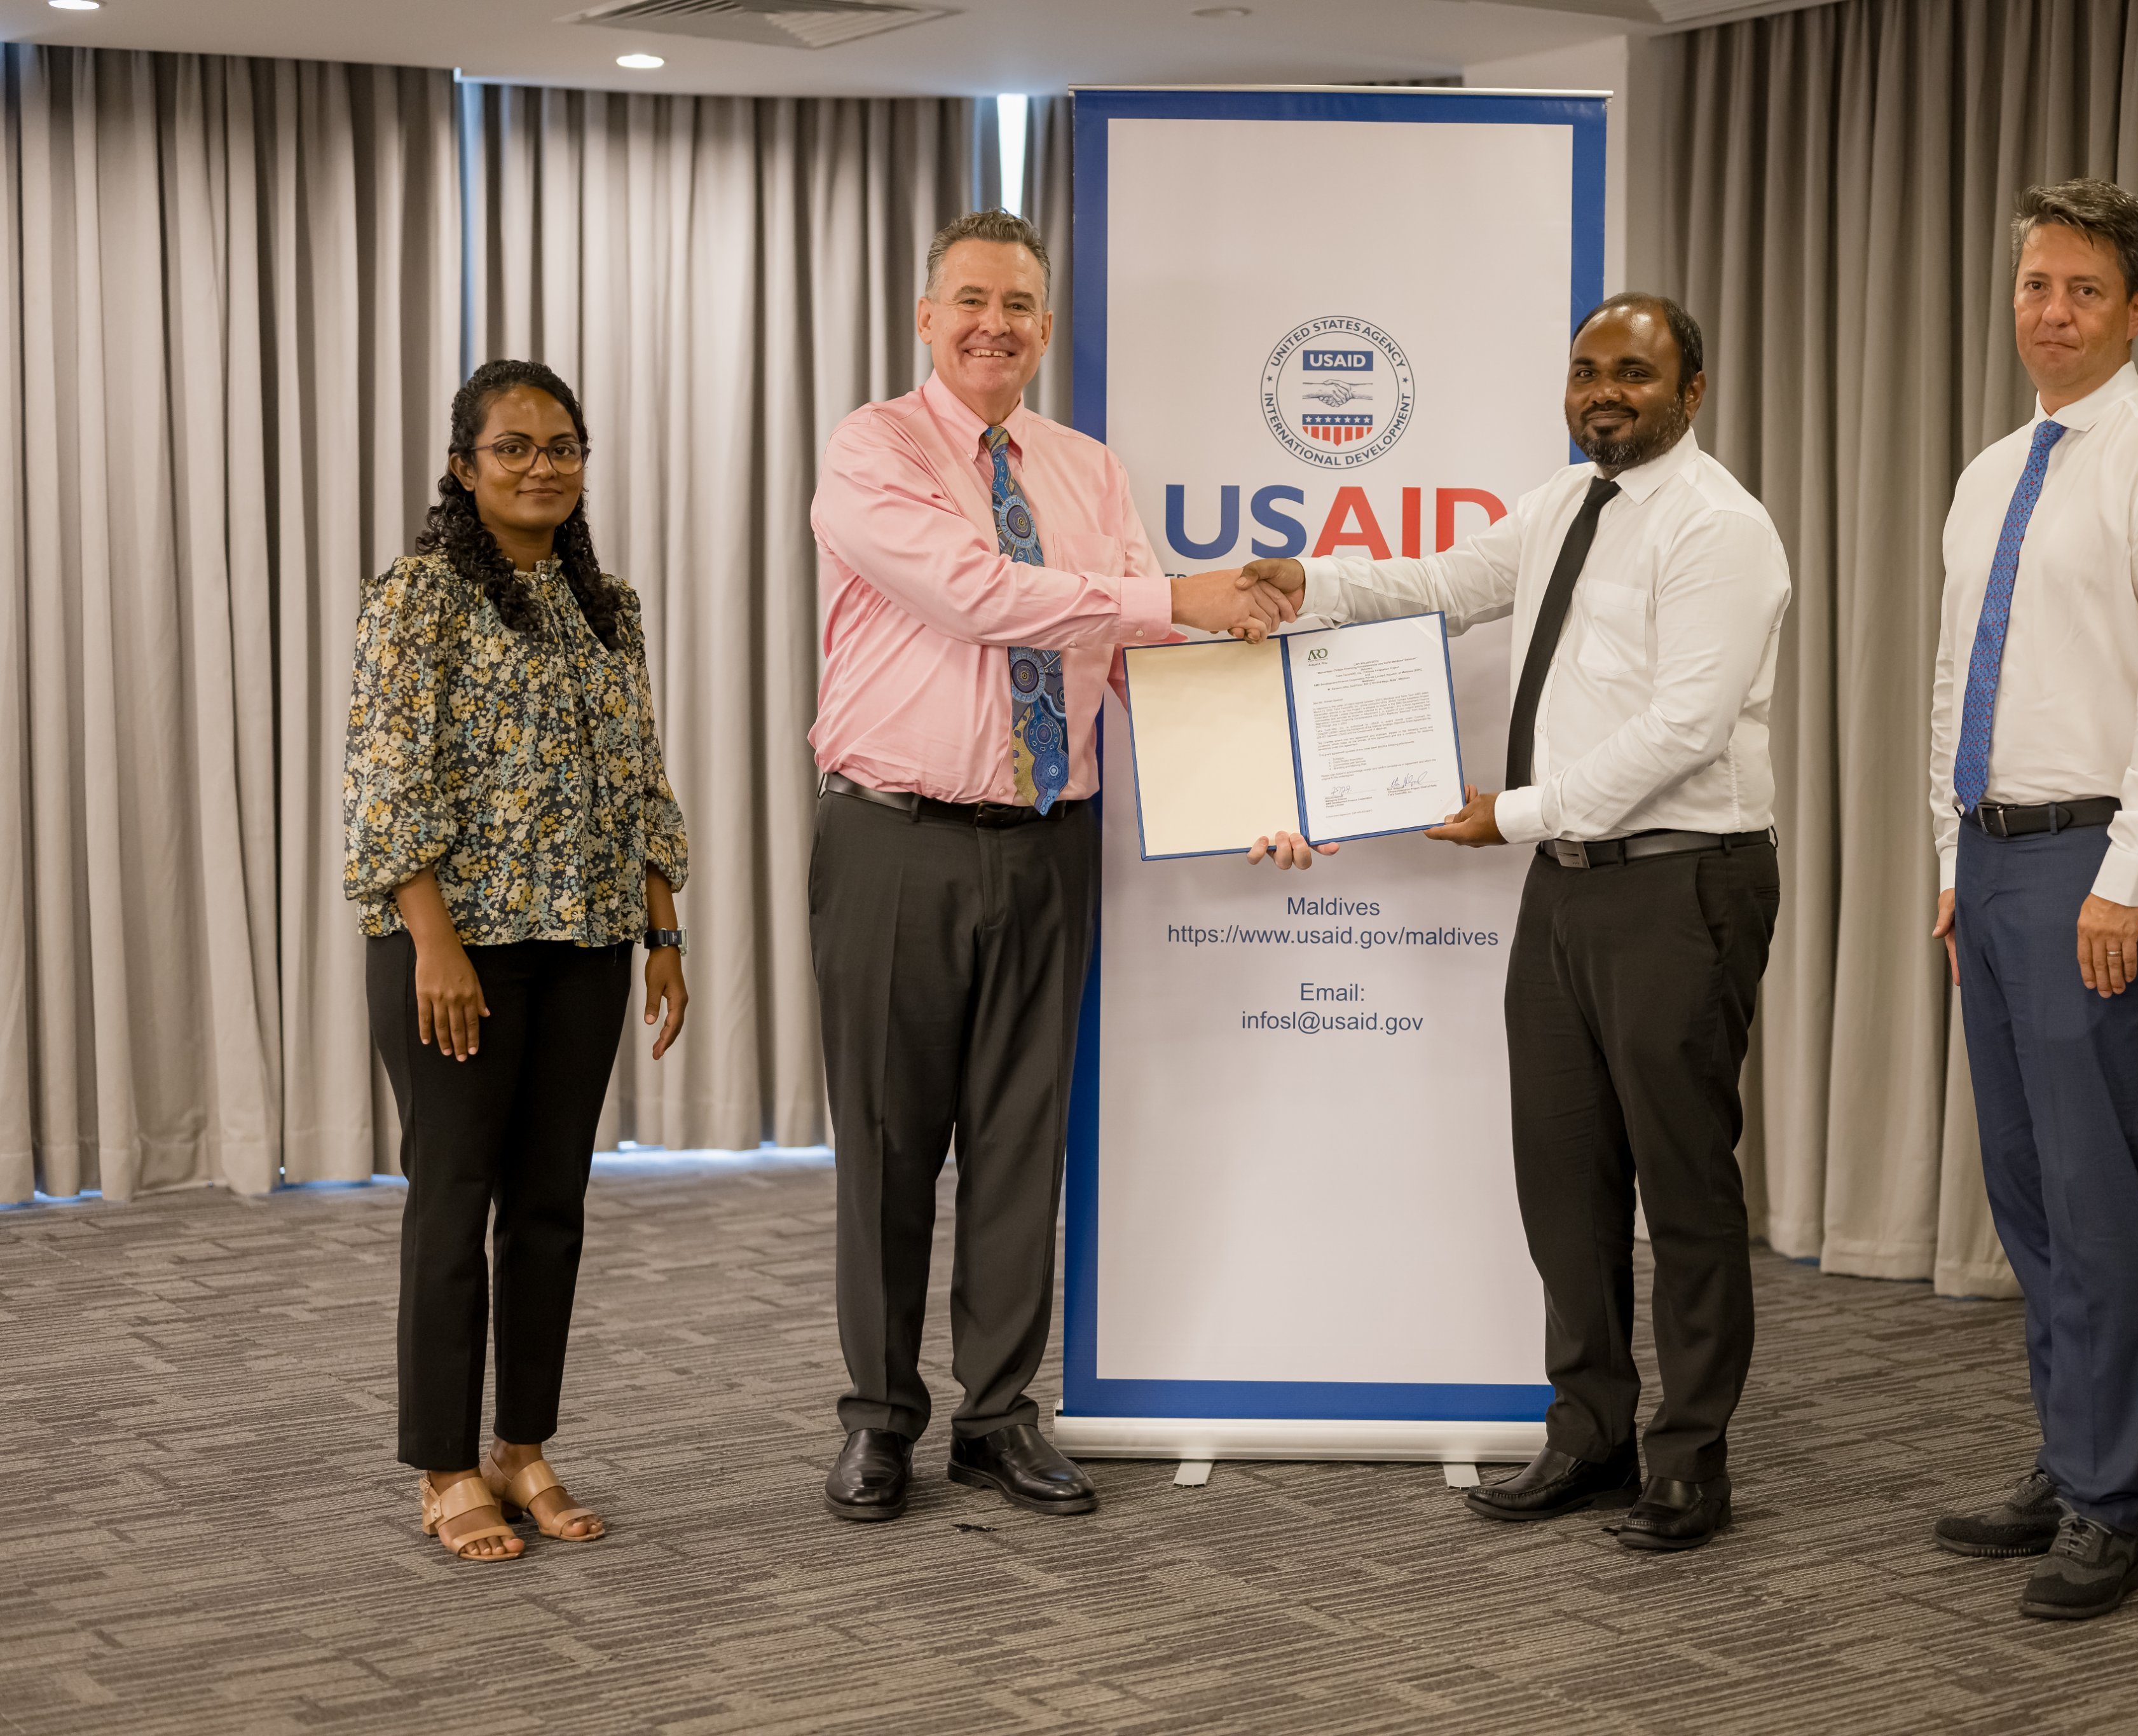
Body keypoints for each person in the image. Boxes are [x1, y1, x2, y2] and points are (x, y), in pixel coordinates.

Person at [1223, 292, 1792, 1553]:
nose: (1603, 392)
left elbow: (1683, 730)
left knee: (1682, 1184)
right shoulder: (1560, 505)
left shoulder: (1720, 528)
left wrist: (1513, 813)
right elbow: (1444, 583)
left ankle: (1690, 1460)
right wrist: (1311, 580)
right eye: (1586, 371)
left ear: (1691, 391)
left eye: (1633, 372)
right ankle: (1588, 1431)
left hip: (1681, 884)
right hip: (1566, 887)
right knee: (1563, 1176)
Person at [807, 210, 1287, 1524]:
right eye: (970, 300)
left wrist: (1261, 786)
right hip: (894, 839)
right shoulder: (872, 450)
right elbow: (978, 593)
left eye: (1018, 304)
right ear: (926, 317)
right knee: (890, 1144)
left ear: (1045, 325)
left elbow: (1137, 656)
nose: (994, 325)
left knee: (1022, 1142)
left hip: (1046, 841)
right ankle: (879, 1419)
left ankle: (997, 1416)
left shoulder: (1087, 469)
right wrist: (1180, 596)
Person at [1925, 179, 2138, 1620]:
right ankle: (2066, 1458)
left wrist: (2126, 876)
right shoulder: (1992, 470)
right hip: (1993, 859)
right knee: (2024, 1182)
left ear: (2137, 310)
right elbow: (1955, 677)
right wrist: (1951, 861)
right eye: (2035, 285)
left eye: (2083, 290)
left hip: (2099, 862)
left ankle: (2107, 1506)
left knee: (2090, 1187)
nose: (2051, 312)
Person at [345, 359, 693, 1562]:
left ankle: (520, 1447)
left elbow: (641, 777)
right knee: (453, 1205)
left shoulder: (610, 605)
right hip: (457, 953)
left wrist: (662, 931)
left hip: (587, 942)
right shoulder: (419, 596)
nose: (543, 466)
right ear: (464, 466)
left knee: (550, 1208)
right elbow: (389, 778)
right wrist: (433, 944)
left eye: (562, 446)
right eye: (514, 447)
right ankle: (445, 1467)